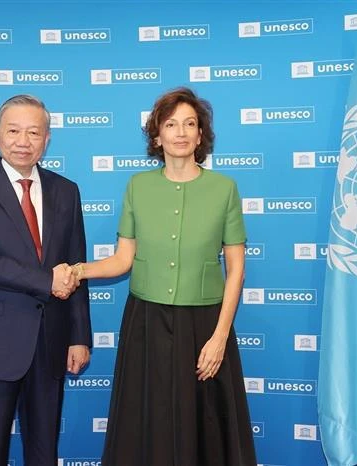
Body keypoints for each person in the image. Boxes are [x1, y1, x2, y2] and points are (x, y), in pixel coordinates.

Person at [72, 87, 257, 465]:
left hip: (205, 325)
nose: (181, 132)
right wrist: (78, 271)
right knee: (148, 424)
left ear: (201, 135)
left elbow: (236, 268)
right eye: (171, 124)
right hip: (147, 325)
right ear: (157, 135)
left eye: (190, 124)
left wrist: (219, 338)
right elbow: (123, 259)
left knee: (204, 429)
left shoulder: (225, 189)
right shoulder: (138, 186)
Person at [0, 94, 92, 466]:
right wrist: (47, 281)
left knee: (44, 453)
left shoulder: (67, 191)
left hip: (51, 345)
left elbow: (75, 267)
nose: (23, 141)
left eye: (34, 132)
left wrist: (79, 336)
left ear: (47, 139)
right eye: (13, 130)